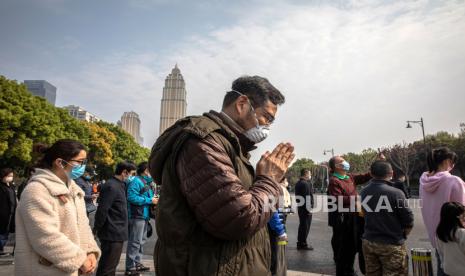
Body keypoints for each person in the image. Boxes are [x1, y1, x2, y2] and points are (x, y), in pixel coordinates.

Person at [148, 75, 295, 275]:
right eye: (266, 117)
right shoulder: (204, 142)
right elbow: (238, 218)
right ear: (242, 103)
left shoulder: (232, 146)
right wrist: (268, 180)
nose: (267, 127)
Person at [14, 139, 101, 276]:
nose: (83, 166)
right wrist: (79, 260)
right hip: (44, 270)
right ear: (60, 162)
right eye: (79, 161)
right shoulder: (37, 190)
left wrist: (90, 251)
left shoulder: (74, 190)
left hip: (74, 268)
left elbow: (84, 225)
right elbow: (45, 237)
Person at [327, 155, 383, 276]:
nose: (345, 162)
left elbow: (366, 176)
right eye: (342, 161)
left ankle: (348, 269)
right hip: (342, 218)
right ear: (336, 167)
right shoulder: (334, 181)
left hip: (354, 217)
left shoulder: (350, 177)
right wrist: (356, 198)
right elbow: (337, 199)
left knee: (351, 246)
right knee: (344, 247)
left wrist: (378, 162)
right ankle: (345, 270)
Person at [360, 161, 414, 276]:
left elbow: (364, 213)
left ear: (371, 173)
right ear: (391, 173)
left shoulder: (364, 192)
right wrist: (404, 234)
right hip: (392, 244)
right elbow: (408, 219)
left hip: (369, 243)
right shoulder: (396, 193)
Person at [419, 147, 465, 276]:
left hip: (438, 236)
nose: (453, 165)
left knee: (443, 267)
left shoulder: (423, 181)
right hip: (457, 238)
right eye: (452, 162)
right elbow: (461, 210)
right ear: (447, 161)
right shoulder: (453, 181)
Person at [94, 161, 137, 276]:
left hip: (117, 232)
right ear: (124, 172)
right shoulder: (111, 186)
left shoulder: (120, 184)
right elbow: (102, 210)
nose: (133, 177)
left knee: (111, 265)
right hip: (111, 232)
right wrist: (96, 229)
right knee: (107, 267)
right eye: (132, 174)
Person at [125, 161, 158, 275]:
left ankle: (137, 263)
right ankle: (130, 267)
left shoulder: (145, 182)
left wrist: (152, 199)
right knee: (135, 241)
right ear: (146, 170)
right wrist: (150, 200)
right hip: (136, 215)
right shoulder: (136, 181)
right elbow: (131, 197)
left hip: (143, 215)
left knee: (141, 241)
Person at [436, 202, 465, 276]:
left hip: (448, 271)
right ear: (458, 218)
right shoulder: (462, 233)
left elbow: (440, 253)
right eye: (463, 216)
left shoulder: (439, 233)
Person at [294, 168, 314, 250]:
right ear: (306, 174)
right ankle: (303, 244)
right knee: (305, 227)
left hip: (301, 207)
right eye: (309, 174)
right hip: (305, 209)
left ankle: (300, 242)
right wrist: (309, 209)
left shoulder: (298, 183)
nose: (310, 175)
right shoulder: (305, 184)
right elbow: (307, 198)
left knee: (302, 226)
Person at [0, 168, 16, 256]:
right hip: (2, 212)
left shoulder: (11, 186)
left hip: (11, 213)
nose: (10, 178)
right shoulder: (1, 187)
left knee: (6, 231)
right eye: (9, 176)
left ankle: (1, 248)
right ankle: (1, 248)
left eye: (12, 176)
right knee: (2, 231)